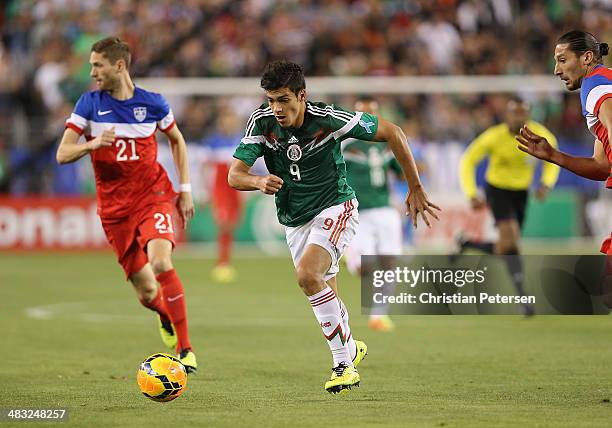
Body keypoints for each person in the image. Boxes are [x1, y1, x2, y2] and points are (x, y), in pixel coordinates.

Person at [228, 60, 439, 394]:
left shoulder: (328, 119)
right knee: (320, 289)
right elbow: (234, 175)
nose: (277, 108)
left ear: (302, 95)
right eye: (271, 100)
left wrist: (414, 186)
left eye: (283, 99)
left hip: (335, 205)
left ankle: (343, 365)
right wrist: (257, 181)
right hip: (294, 219)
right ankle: (351, 349)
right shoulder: (262, 122)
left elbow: (394, 132)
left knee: (307, 276)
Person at [56, 37, 197, 372]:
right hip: (114, 210)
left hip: (153, 196)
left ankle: (186, 348)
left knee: (161, 263)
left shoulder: (153, 103)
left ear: (119, 65)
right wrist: (91, 146)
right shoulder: (88, 105)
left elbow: (176, 139)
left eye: (97, 65)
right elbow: (62, 154)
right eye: (91, 66)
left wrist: (185, 189)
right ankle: (164, 315)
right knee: (148, 292)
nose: (92, 72)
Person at [516, 30, 611, 307]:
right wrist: (553, 155)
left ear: (587, 58)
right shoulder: (602, 82)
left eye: (562, 59)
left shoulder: (595, 85)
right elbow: (602, 166)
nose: (556, 69)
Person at [458, 96, 560, 315]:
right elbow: (467, 160)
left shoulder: (540, 135)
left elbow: (554, 160)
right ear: (507, 115)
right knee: (512, 240)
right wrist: (471, 192)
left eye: (523, 113)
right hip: (497, 189)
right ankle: (523, 298)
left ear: (529, 115)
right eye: (515, 112)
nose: (519, 117)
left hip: (521, 193)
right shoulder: (493, 137)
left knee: (506, 248)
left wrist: (546, 184)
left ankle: (467, 243)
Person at [342, 96, 406, 332]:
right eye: (362, 115)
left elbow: (401, 172)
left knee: (390, 261)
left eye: (372, 115)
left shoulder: (386, 143)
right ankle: (350, 253)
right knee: (363, 268)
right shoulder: (345, 144)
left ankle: (379, 315)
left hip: (385, 209)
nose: (367, 120)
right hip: (357, 212)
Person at [203, 105, 244, 283]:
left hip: (236, 189)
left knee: (232, 224)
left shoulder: (241, 141)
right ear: (221, 122)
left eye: (231, 119)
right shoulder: (212, 141)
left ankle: (226, 261)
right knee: (224, 223)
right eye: (225, 119)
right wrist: (206, 190)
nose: (228, 123)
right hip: (220, 189)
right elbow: (204, 167)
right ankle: (223, 262)